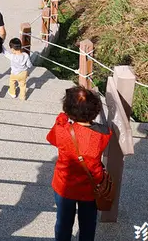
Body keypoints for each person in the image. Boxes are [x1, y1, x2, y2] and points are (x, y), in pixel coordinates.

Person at [46, 86, 112, 241]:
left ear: (69, 110)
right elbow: (104, 131)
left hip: (64, 185)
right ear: (95, 110)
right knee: (88, 224)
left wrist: (62, 117)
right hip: (90, 186)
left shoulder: (62, 130)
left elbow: (52, 139)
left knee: (63, 222)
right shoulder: (103, 134)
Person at [3, 37, 32, 101]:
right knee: (23, 85)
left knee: (12, 82)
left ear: (12, 49)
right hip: (23, 73)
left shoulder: (12, 56)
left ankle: (12, 93)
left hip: (14, 73)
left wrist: (1, 45)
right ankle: (22, 97)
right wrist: (28, 71)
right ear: (21, 46)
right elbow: (29, 65)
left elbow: (5, 53)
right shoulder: (26, 55)